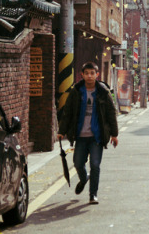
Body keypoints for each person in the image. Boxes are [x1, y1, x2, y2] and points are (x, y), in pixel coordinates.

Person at [57, 62, 118, 205]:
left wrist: (114, 135)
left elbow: (111, 113)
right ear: (82, 75)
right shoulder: (76, 91)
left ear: (97, 75)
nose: (89, 76)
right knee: (78, 163)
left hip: (96, 136)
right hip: (80, 136)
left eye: (92, 73)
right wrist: (62, 131)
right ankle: (84, 178)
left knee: (95, 165)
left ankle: (93, 195)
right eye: (87, 73)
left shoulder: (103, 92)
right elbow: (68, 112)